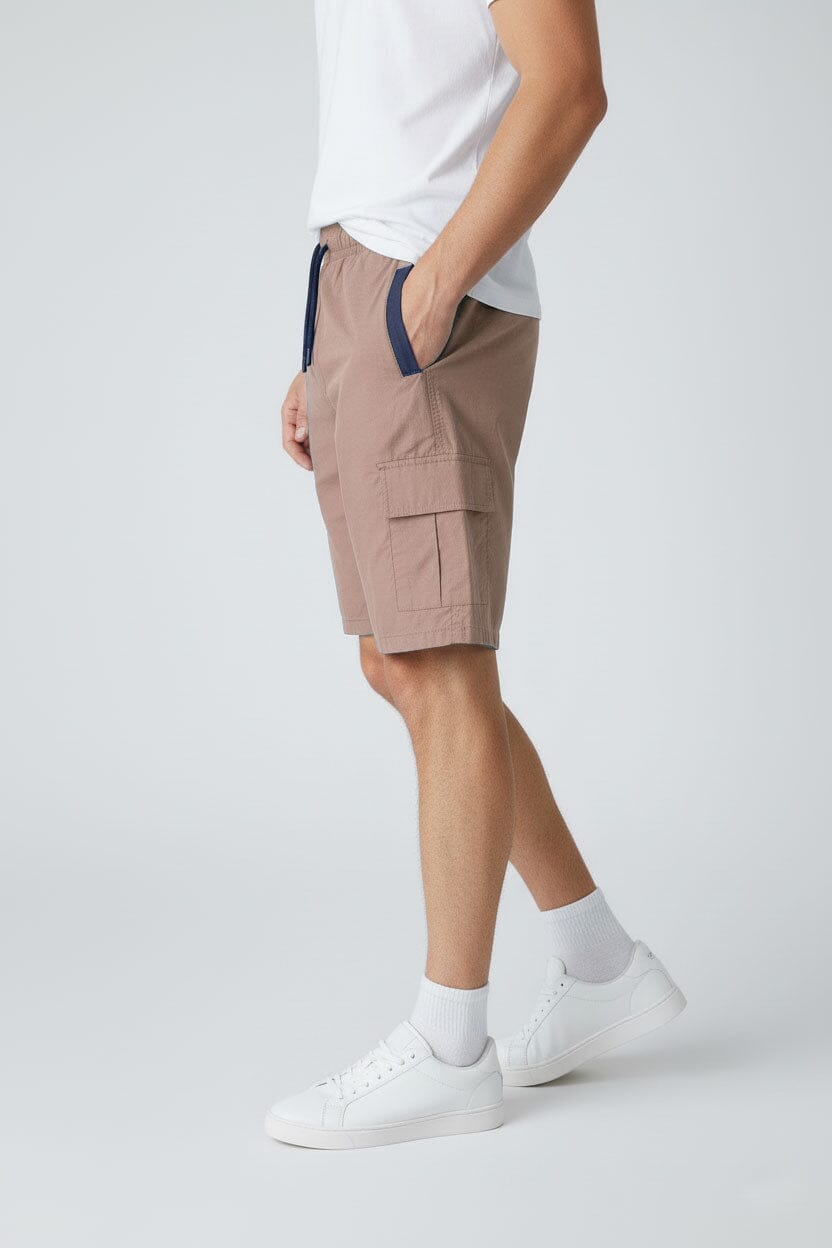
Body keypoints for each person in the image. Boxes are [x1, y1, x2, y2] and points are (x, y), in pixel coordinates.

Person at [267, 0, 685, 1150]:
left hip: (423, 294)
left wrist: (429, 286)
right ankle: (599, 963)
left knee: (439, 662)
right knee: (397, 663)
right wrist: (327, 344)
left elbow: (569, 83)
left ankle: (452, 1050)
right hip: (360, 285)